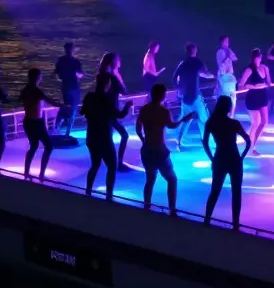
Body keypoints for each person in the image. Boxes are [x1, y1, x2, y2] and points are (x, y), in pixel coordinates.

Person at [136, 83, 193, 213]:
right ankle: (172, 209)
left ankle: (146, 206)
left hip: (147, 150)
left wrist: (143, 139)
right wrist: (183, 119)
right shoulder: (164, 111)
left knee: (150, 180)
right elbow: (171, 125)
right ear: (163, 96)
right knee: (172, 179)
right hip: (159, 151)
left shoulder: (144, 109)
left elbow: (138, 128)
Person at [203, 95, 252, 227]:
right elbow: (248, 141)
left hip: (219, 158)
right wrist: (242, 157)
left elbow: (205, 143)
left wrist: (212, 158)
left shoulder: (211, 122)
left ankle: (207, 219)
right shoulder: (234, 123)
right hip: (234, 159)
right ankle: (235, 223)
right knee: (236, 191)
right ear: (229, 107)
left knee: (215, 190)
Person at [82, 73, 129, 198]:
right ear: (107, 84)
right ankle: (109, 195)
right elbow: (120, 115)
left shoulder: (89, 96)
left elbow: (82, 112)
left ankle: (88, 191)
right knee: (112, 167)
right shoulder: (107, 100)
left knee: (95, 165)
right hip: (104, 138)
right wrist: (127, 106)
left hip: (91, 136)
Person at [19, 68, 59, 180]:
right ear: (37, 78)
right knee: (49, 146)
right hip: (37, 122)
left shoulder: (25, 90)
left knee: (34, 146)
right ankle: (41, 174)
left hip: (28, 121)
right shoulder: (36, 91)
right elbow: (51, 101)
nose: (41, 78)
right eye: (40, 76)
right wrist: (64, 106)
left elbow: (20, 99)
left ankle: (26, 172)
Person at [172, 43, 214, 149]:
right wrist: (215, 75)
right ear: (195, 50)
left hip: (185, 97)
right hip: (195, 96)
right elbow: (205, 73)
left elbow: (174, 78)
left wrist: (179, 89)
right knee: (204, 119)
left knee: (185, 120)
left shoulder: (182, 63)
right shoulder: (197, 62)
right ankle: (208, 142)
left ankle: (178, 142)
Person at [98, 52, 131, 171]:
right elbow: (124, 91)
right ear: (113, 62)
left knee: (109, 136)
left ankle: (111, 161)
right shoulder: (113, 77)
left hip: (103, 110)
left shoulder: (101, 76)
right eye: (118, 59)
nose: (120, 61)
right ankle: (118, 163)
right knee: (123, 135)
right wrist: (118, 77)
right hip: (112, 111)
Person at [237, 48, 273, 155]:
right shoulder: (249, 70)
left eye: (259, 57)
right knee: (255, 123)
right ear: (253, 58)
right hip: (252, 98)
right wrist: (251, 86)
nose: (258, 59)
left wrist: (267, 78)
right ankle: (250, 147)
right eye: (256, 57)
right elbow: (240, 85)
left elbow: (269, 83)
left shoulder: (264, 68)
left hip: (262, 96)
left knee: (264, 122)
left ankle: (253, 144)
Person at [53, 42, 84, 136]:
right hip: (68, 87)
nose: (70, 51)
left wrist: (74, 73)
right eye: (68, 49)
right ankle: (60, 129)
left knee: (70, 108)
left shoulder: (74, 61)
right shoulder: (63, 60)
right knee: (68, 108)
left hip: (72, 87)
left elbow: (81, 74)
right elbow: (56, 73)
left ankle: (63, 130)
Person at [214, 36, 239, 116]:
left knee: (233, 97)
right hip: (224, 76)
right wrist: (227, 56)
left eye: (228, 41)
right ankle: (223, 116)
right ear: (222, 42)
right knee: (224, 97)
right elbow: (221, 64)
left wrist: (229, 53)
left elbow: (235, 58)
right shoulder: (219, 52)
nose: (228, 43)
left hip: (230, 76)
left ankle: (231, 117)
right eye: (226, 41)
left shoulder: (229, 50)